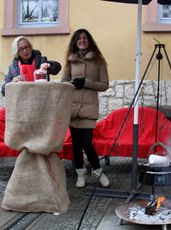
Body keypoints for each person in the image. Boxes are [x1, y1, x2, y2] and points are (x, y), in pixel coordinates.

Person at [61, 29, 110, 188]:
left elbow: (104, 85)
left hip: (89, 108)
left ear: (89, 40)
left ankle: (98, 171)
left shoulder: (99, 61)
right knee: (76, 143)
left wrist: (86, 82)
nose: (82, 40)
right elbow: (62, 85)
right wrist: (74, 83)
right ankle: (80, 174)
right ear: (75, 42)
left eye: (85, 38)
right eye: (79, 38)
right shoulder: (70, 61)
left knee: (87, 143)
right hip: (73, 107)